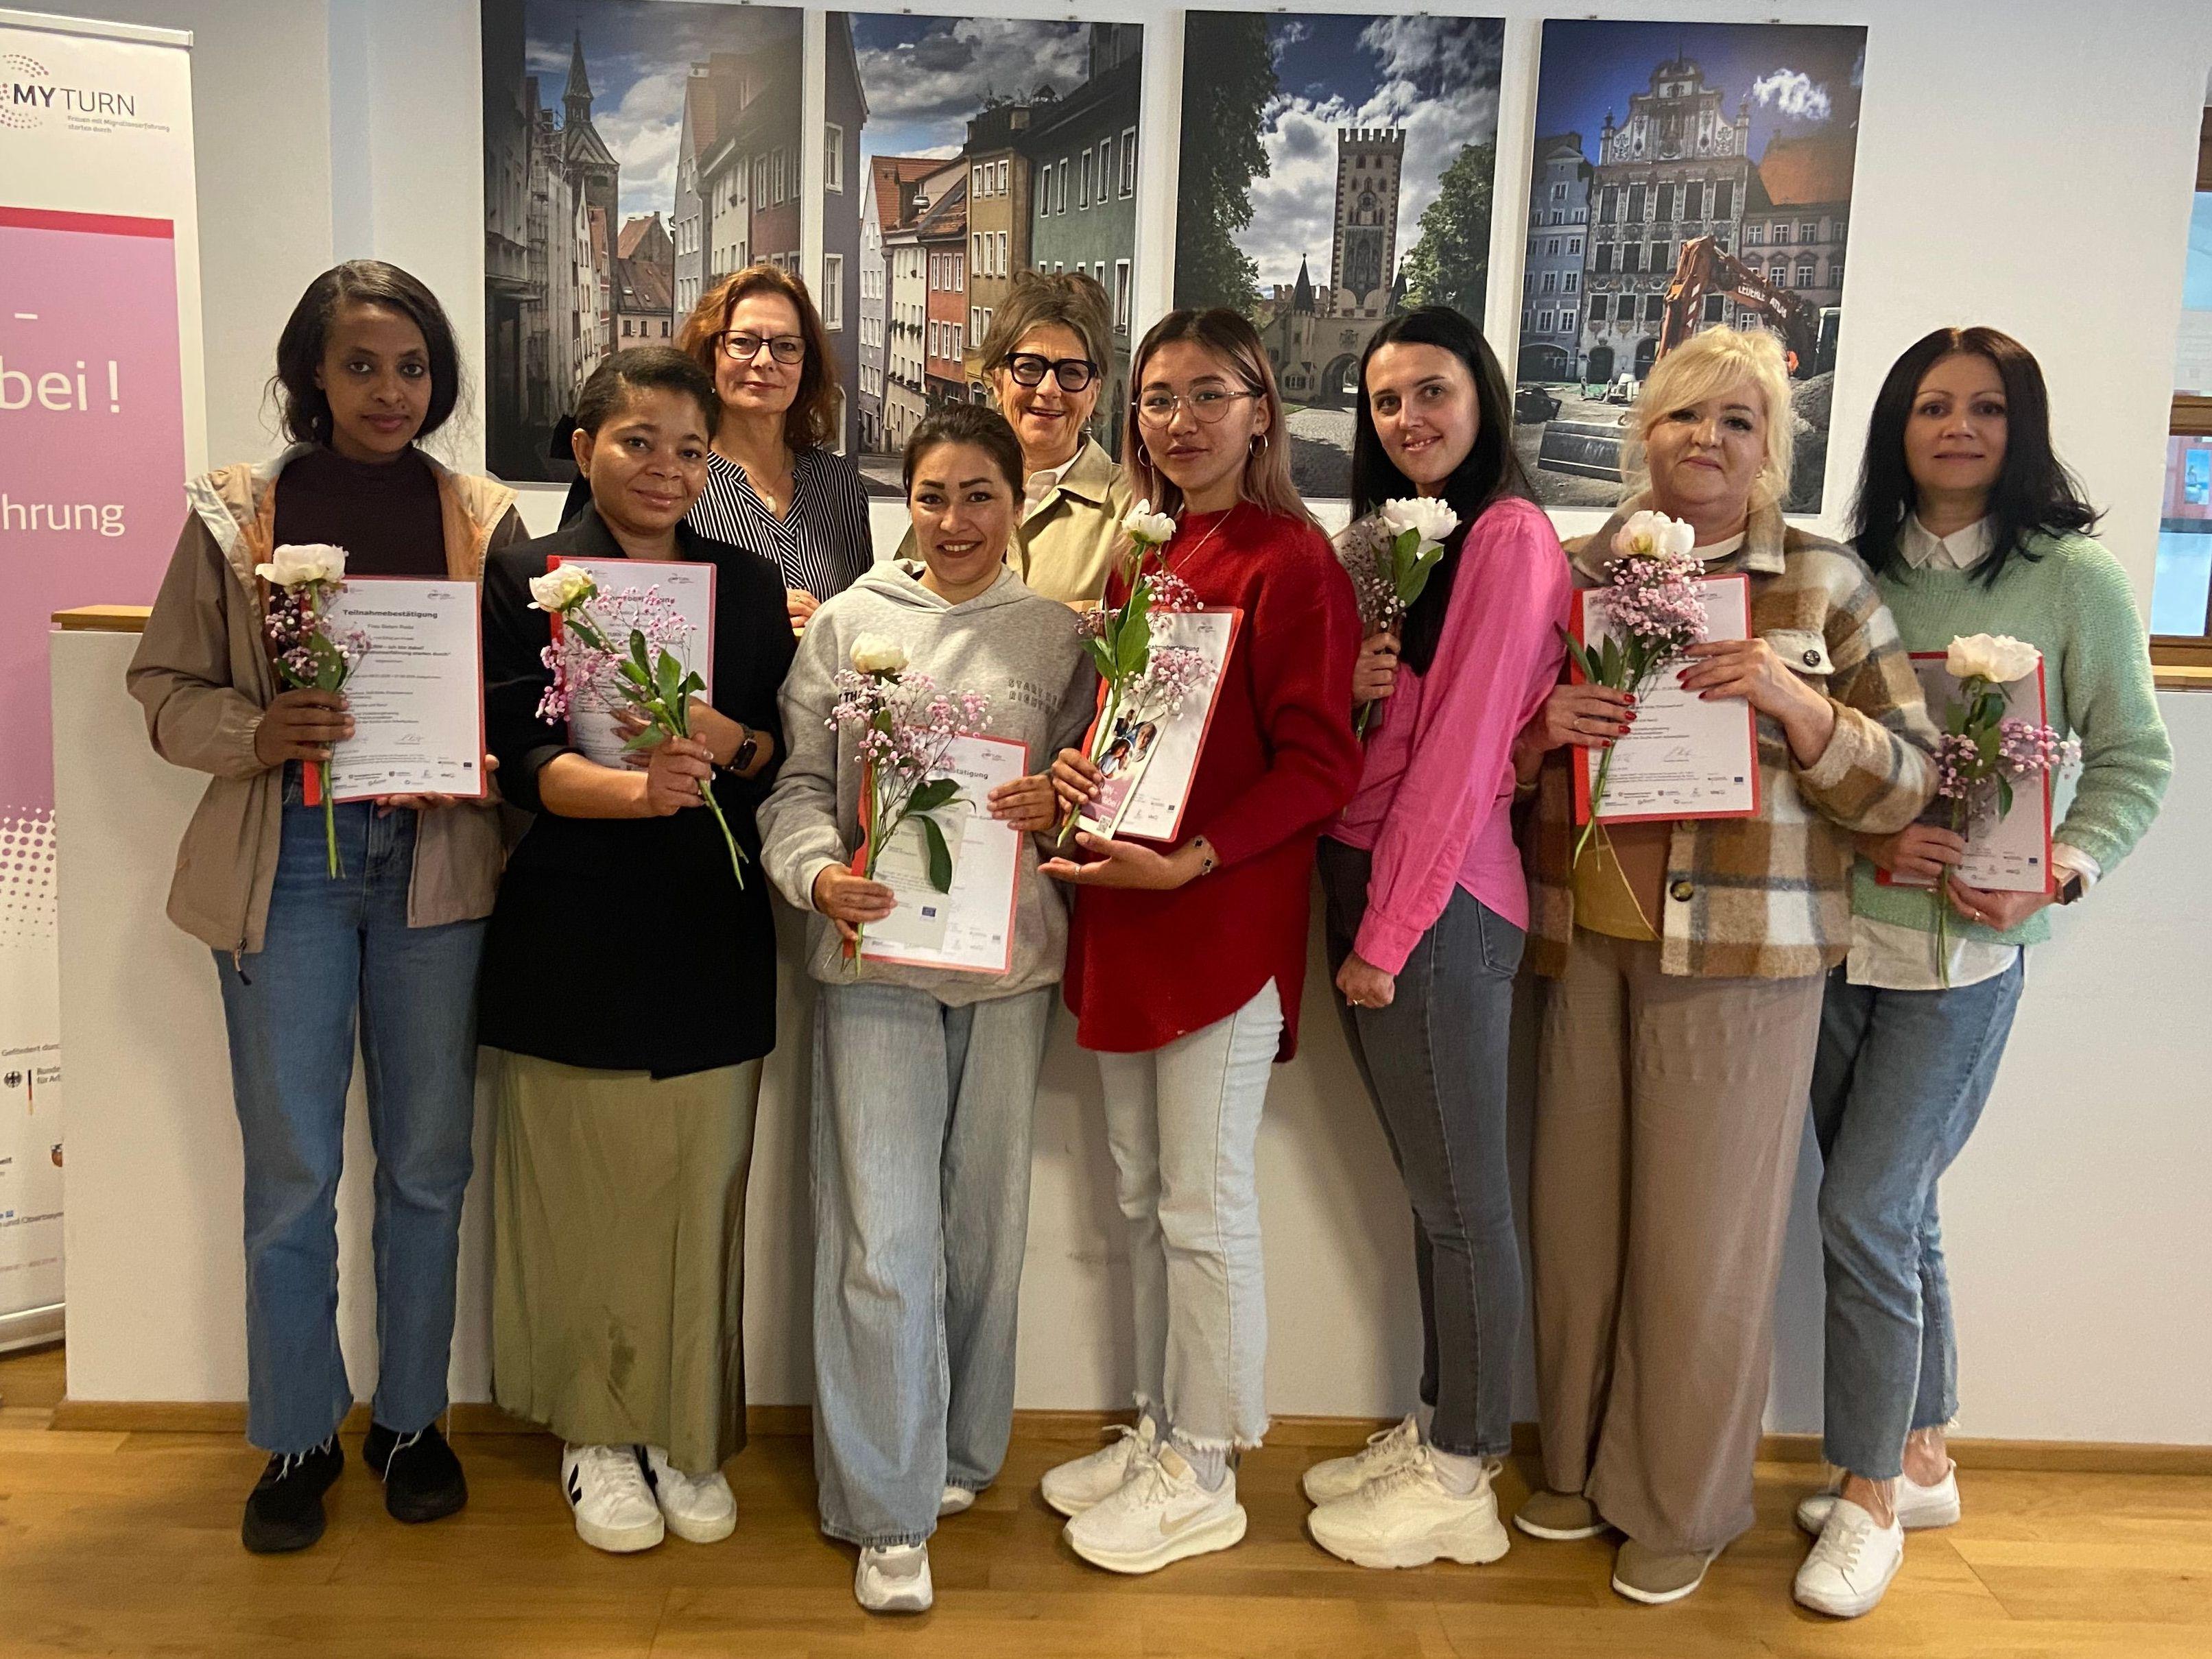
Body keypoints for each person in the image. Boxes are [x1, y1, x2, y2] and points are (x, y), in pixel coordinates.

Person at [1509, 326, 1938, 1606]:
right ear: (1643, 430)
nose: (1706, 439)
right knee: (1577, 1226)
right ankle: (1576, 1463)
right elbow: (1493, 750)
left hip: (1746, 953)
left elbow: (1908, 779)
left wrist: (1799, 705)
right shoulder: (1575, 569)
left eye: (1737, 421)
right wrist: (1538, 730)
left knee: (1702, 1249)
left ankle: (1680, 1501)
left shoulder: (1820, 580)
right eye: (1684, 415)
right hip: (1586, 939)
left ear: (1770, 450)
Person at [127, 261, 525, 1553]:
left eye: (412, 367)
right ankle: (298, 1429)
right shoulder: (238, 514)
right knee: (294, 1167)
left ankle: (412, 1418)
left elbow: (525, 694)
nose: (389, 390)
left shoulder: (482, 516)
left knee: (428, 1159)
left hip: (437, 861)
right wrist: (258, 729)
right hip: (287, 854)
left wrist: (481, 754)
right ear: (312, 371)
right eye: (361, 364)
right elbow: (165, 686)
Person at [1791, 328, 2171, 1618]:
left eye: (1988, 407)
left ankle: (1866, 1495)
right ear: (1895, 425)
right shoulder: (1849, 572)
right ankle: (1922, 1452)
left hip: (1964, 958)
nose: (1959, 427)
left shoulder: (2076, 581)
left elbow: (2137, 758)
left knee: (1862, 1210)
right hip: (1836, 939)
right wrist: (1865, 832)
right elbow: (1810, 751)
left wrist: (2058, 869)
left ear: (2024, 428)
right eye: (1933, 405)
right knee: (1900, 1212)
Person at [1038, 308, 1364, 1574]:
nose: (1180, 420)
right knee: (1139, 1195)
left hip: (1219, 924)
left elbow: (1320, 764)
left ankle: (1211, 1465)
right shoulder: (1151, 554)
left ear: (1261, 408)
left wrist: (1196, 857)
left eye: (1209, 394)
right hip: (1126, 907)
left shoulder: (1294, 561)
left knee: (1202, 1203)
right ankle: (1161, 1425)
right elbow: (1142, 731)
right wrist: (1086, 767)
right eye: (1158, 397)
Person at [758, 403, 1097, 1615]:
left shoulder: (1057, 634)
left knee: (982, 1229)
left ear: (1017, 502)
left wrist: (1059, 804)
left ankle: (957, 1448)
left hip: (1009, 970)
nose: (954, 521)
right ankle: (885, 1507)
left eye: (979, 496)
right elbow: (799, 785)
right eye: (932, 496)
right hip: (875, 965)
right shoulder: (848, 624)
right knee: (882, 1237)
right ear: (904, 503)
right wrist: (816, 874)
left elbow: (1096, 787)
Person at [478, 347, 793, 1556]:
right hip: (572, 920)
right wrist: (632, 790)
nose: (666, 468)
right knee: (579, 1194)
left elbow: (777, 756)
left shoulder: (747, 583)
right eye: (638, 441)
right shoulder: (529, 576)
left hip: (710, 922)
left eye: (690, 449)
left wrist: (728, 740)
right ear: (584, 447)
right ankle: (595, 1434)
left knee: (698, 1192)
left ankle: (683, 1427)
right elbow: (522, 759)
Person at [1298, 307, 1571, 1571]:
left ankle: (1464, 1472)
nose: (1409, 417)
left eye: (1433, 391)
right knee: (1432, 1191)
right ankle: (1435, 1421)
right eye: (1386, 399)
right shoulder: (1400, 544)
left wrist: (1390, 930)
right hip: (1372, 875)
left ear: (1484, 396)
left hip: (1443, 900)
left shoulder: (1508, 535)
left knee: (1465, 1204)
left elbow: (1462, 757)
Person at [561, 263, 872, 629]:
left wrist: (825, 625)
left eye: (786, 346)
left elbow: (864, 620)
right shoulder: (668, 478)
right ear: (711, 354)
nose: (764, 361)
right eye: (743, 342)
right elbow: (589, 607)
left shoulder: (838, 483)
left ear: (807, 365)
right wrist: (751, 611)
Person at [898, 270, 1132, 604]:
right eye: (1029, 367)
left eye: (1071, 372)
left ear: (1093, 392)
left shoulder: (1132, 508)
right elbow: (904, 609)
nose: (1049, 389)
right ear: (997, 381)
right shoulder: (946, 493)